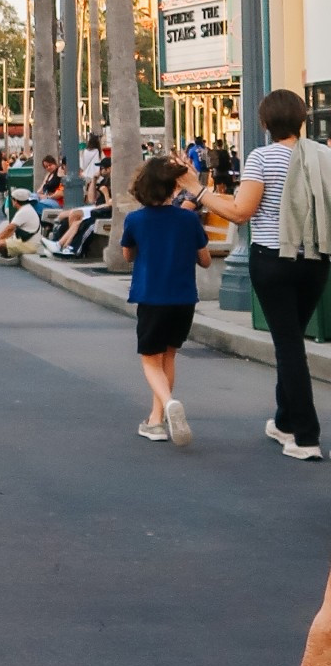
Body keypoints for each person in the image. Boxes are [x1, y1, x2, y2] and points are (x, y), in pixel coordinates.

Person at [182, 90, 331, 460]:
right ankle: (284, 422)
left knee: (289, 345)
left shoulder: (262, 158)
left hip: (273, 259)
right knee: (292, 339)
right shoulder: (323, 155)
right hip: (315, 259)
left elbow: (239, 211)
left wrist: (197, 190)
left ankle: (306, 436)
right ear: (302, 118)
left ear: (264, 123)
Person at [120, 155, 211, 447]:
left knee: (150, 360)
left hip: (152, 295)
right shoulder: (188, 218)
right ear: (173, 187)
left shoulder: (135, 219)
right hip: (184, 298)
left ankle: (169, 403)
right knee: (169, 356)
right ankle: (156, 420)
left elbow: (127, 255)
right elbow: (206, 260)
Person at [0, 197, 43, 264]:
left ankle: (9, 256)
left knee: (0, 243)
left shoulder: (24, 211)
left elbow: (10, 228)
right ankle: (11, 254)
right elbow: (12, 230)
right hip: (29, 240)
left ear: (15, 201)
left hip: (31, 244)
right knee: (1, 239)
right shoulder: (28, 209)